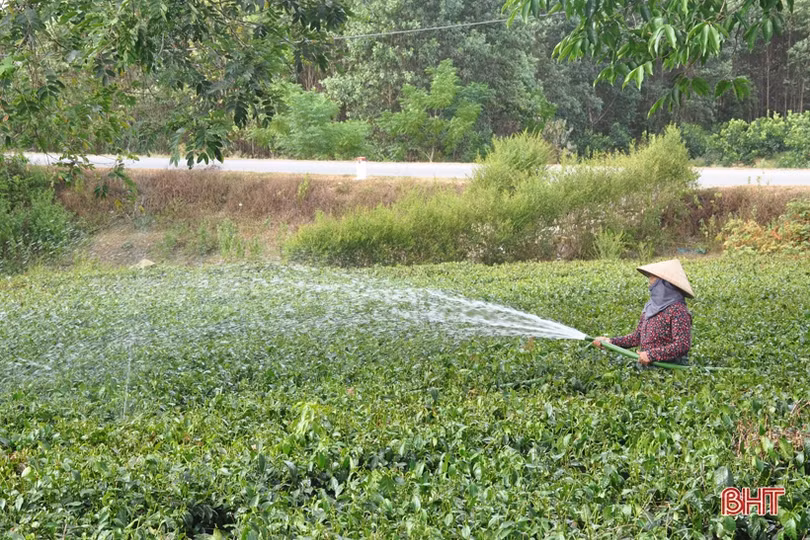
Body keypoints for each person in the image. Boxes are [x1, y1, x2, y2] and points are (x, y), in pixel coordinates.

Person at [593, 259, 694, 366]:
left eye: (652, 278)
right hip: (648, 369)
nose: (649, 284)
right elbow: (637, 337)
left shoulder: (678, 310)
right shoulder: (649, 307)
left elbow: (682, 345)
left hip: (670, 370)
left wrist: (652, 355)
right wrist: (610, 342)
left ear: (664, 283)